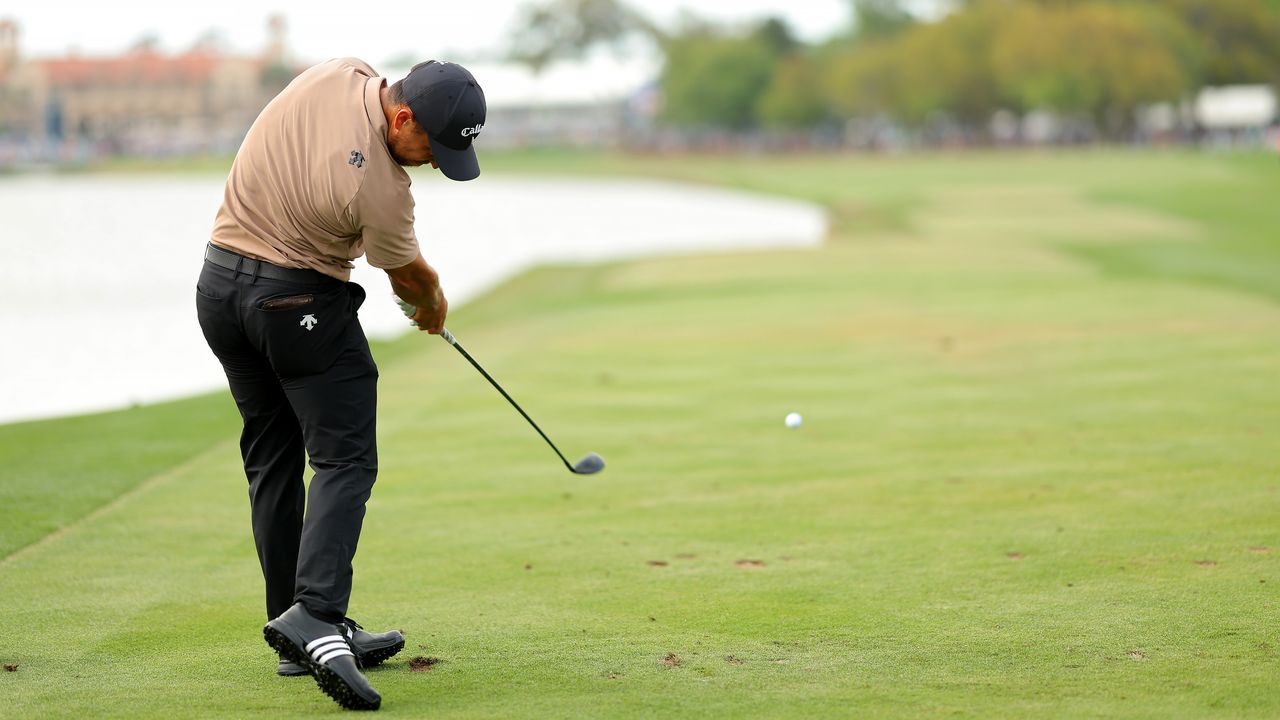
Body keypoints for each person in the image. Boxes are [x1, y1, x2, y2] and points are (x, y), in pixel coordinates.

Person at [195, 57, 486, 711]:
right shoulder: (384, 189)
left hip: (218, 290)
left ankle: (292, 631)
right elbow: (409, 279)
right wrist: (432, 303)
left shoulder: (336, 71)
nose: (436, 164)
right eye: (432, 148)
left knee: (272, 461)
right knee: (345, 458)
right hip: (294, 302)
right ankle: (317, 616)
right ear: (403, 115)